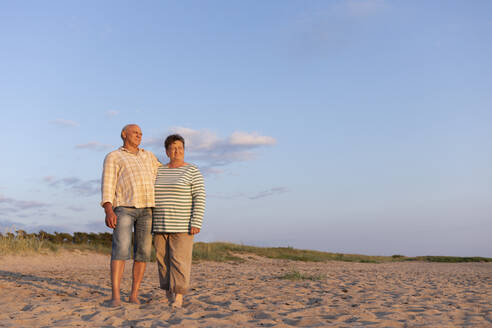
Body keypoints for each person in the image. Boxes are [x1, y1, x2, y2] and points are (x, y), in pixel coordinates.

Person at [101, 124, 160, 306]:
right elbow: (108, 184)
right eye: (135, 133)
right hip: (124, 208)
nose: (139, 136)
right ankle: (116, 296)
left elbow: (163, 174)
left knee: (143, 253)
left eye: (141, 133)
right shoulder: (114, 156)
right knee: (120, 251)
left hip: (148, 209)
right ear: (124, 134)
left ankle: (134, 294)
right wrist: (108, 209)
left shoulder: (148, 156)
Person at [153, 134, 206, 308]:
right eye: (173, 148)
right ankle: (168, 292)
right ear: (167, 151)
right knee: (163, 261)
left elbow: (199, 197)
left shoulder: (192, 171)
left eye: (180, 148)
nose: (177, 151)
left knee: (180, 260)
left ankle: (179, 297)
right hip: (159, 224)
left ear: (184, 150)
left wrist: (196, 221)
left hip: (182, 224)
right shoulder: (159, 170)